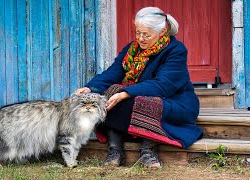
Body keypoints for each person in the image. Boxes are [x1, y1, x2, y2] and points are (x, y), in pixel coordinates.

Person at [74, 7, 203, 168]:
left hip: (174, 101)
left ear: (162, 31)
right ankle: (115, 150)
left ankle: (148, 150)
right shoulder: (132, 49)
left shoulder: (175, 50)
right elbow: (112, 73)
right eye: (138, 33)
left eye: (146, 35)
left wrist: (126, 92)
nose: (140, 38)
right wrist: (90, 89)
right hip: (136, 96)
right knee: (108, 96)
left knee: (144, 102)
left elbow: (163, 85)